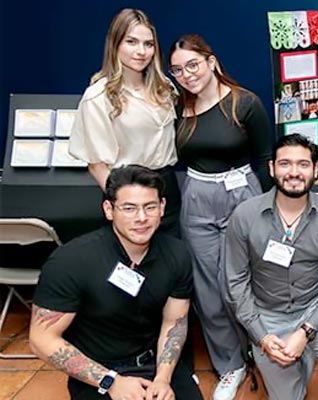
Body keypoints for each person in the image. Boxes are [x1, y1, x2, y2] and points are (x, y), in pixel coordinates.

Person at [29, 165, 202, 400]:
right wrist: (110, 381)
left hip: (156, 363)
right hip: (99, 371)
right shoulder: (71, 260)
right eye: (129, 208)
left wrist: (163, 378)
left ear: (162, 207)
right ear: (109, 210)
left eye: (149, 207)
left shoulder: (177, 253)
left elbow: (174, 323)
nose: (141, 218)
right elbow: (41, 339)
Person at [168, 34, 273, 400]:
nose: (186, 75)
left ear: (211, 62)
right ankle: (230, 366)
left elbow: (264, 159)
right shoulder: (178, 106)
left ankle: (264, 350)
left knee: (246, 282)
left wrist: (265, 208)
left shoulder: (245, 103)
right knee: (208, 292)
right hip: (196, 197)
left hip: (242, 194)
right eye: (178, 70)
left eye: (192, 65)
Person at [223, 134, 318, 400]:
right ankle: (299, 361)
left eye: (303, 164)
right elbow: (236, 283)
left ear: (315, 170)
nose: (294, 172)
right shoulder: (245, 216)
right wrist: (261, 337)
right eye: (285, 164)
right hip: (268, 313)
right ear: (272, 168)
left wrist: (305, 332)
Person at [69, 9, 181, 237]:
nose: (141, 51)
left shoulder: (165, 88)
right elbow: (97, 164)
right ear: (115, 44)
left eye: (148, 44)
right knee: (132, 267)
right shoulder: (98, 96)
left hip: (167, 188)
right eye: (132, 42)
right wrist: (125, 205)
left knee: (170, 263)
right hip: (128, 189)